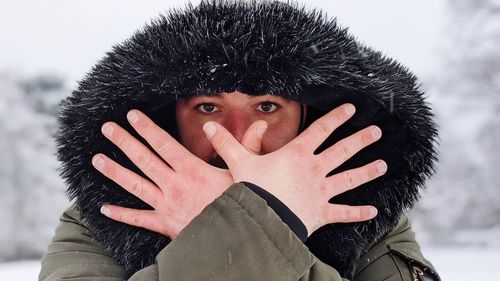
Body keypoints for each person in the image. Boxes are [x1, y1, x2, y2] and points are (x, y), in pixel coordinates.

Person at [39, 1, 440, 280]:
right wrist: (265, 222)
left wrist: (239, 226)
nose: (237, 137)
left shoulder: (368, 223)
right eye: (208, 108)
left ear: (306, 117)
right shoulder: (97, 223)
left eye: (266, 106)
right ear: (168, 122)